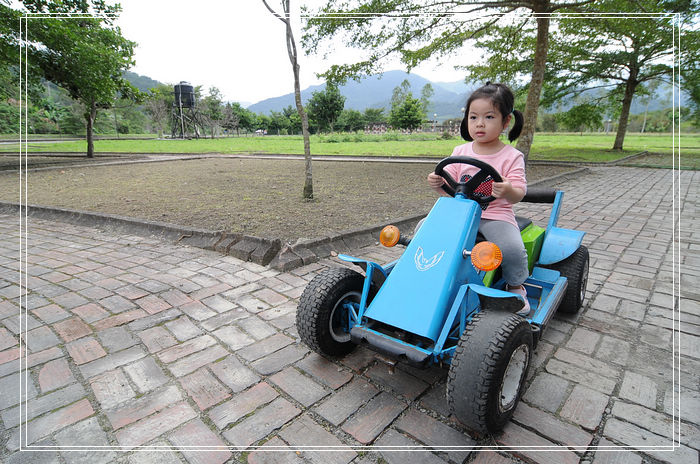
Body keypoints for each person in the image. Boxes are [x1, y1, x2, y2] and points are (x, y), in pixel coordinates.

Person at [426, 82, 530, 315]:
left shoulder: (512, 156)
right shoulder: (460, 151)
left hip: (494, 215)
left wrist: (507, 190)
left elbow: (519, 192)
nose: (480, 123)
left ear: (506, 122)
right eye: (473, 117)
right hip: (459, 212)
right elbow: (448, 181)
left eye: (489, 117)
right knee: (425, 230)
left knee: (512, 249)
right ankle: (427, 272)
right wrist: (436, 182)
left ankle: (516, 286)